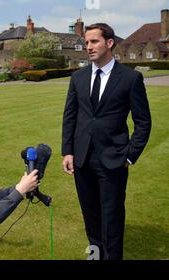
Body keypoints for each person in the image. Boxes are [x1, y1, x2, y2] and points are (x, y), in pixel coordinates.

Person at [62, 23, 151, 260]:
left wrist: (129, 156)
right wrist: (68, 151)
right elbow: (70, 117)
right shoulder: (78, 77)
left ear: (109, 43)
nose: (88, 47)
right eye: (86, 43)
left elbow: (143, 123)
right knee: (91, 217)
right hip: (82, 159)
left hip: (113, 160)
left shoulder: (130, 79)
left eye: (94, 42)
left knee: (111, 218)